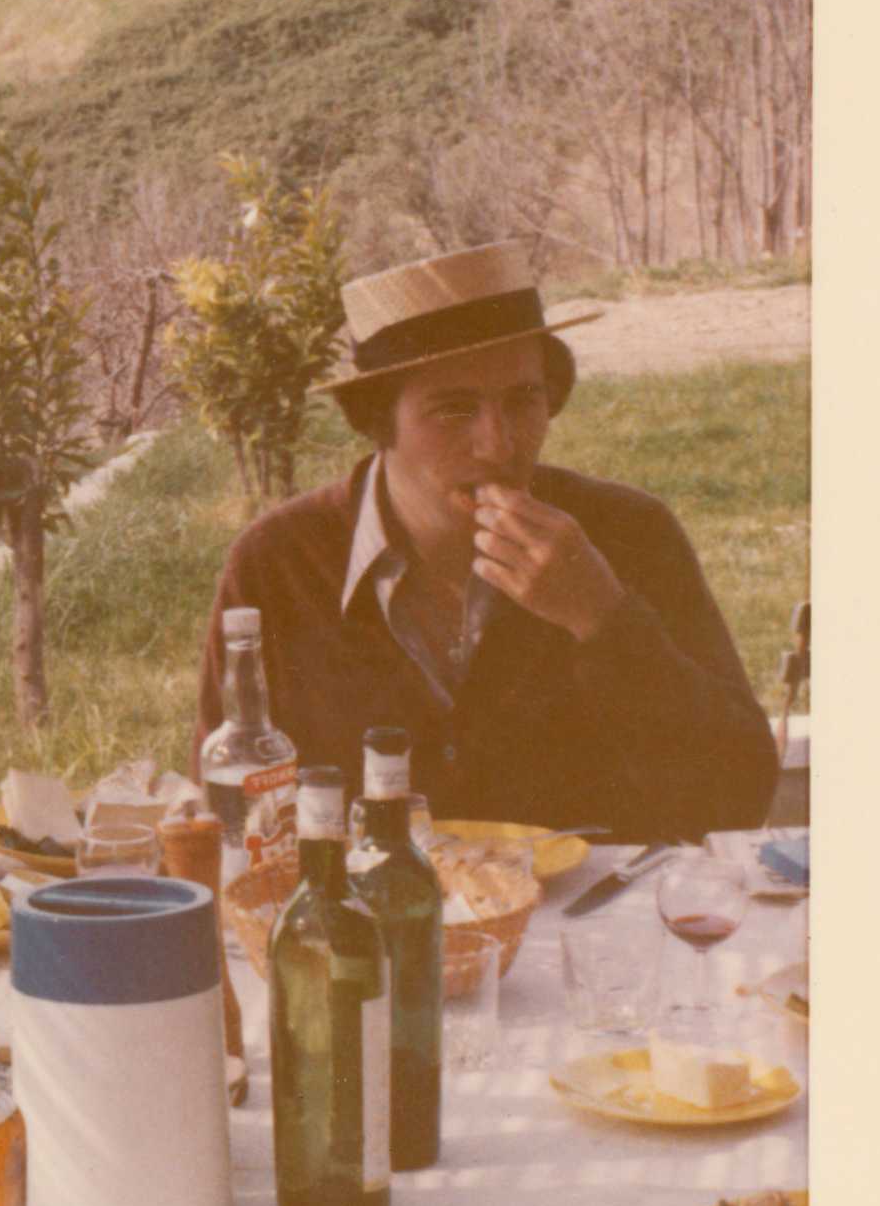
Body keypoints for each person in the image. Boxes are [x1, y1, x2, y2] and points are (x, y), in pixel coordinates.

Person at [195, 241, 779, 843]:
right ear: (377, 422)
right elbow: (233, 816)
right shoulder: (277, 562)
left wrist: (603, 618)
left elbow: (739, 798)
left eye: (523, 400)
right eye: (453, 409)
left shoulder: (630, 534)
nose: (498, 445)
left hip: (597, 925)